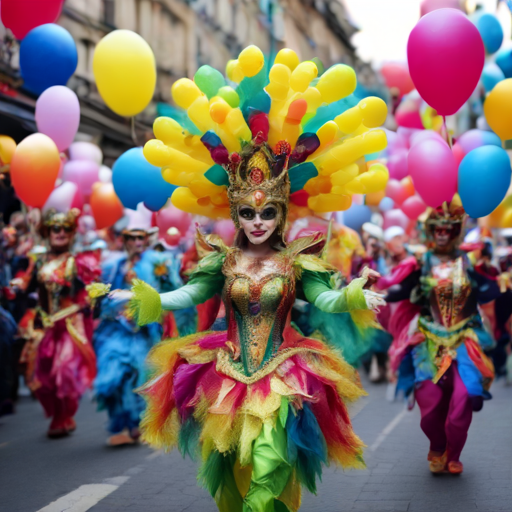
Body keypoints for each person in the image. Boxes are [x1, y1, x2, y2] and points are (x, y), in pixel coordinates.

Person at [117, 133, 386, 511]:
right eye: (247, 213)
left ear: (281, 214)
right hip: (226, 371)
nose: (257, 222)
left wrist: (354, 294)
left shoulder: (296, 260)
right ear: (236, 214)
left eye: (267, 212)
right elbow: (190, 294)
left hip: (281, 372)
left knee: (271, 459)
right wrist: (148, 297)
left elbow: (325, 298)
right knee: (231, 468)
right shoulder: (223, 260)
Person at [384, 203, 499, 474]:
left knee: (465, 396)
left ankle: (454, 453)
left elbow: (488, 292)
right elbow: (402, 289)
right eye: (438, 229)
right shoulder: (420, 263)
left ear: (457, 232)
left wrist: (492, 280)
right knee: (430, 406)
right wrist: (372, 291)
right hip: (428, 342)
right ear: (431, 232)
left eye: (449, 229)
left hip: (464, 341)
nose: (443, 234)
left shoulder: (468, 262)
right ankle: (437, 444)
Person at [93, 211, 190, 446]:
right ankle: (120, 424)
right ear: (124, 241)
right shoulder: (114, 265)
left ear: (146, 240)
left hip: (144, 331)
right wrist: (99, 298)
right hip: (115, 330)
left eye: (141, 238)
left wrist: (166, 281)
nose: (137, 243)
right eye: (132, 238)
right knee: (114, 373)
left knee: (138, 376)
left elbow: (176, 291)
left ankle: (135, 422)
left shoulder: (158, 262)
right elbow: (103, 295)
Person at [12, 209, 100, 437]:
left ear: (72, 234)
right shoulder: (38, 260)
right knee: (44, 375)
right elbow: (27, 285)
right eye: (55, 229)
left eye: (65, 229)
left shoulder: (78, 262)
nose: (60, 233)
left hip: (70, 322)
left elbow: (88, 293)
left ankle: (63, 418)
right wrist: (14, 287)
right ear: (48, 232)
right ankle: (58, 415)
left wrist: (88, 299)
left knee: (65, 369)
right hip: (45, 323)